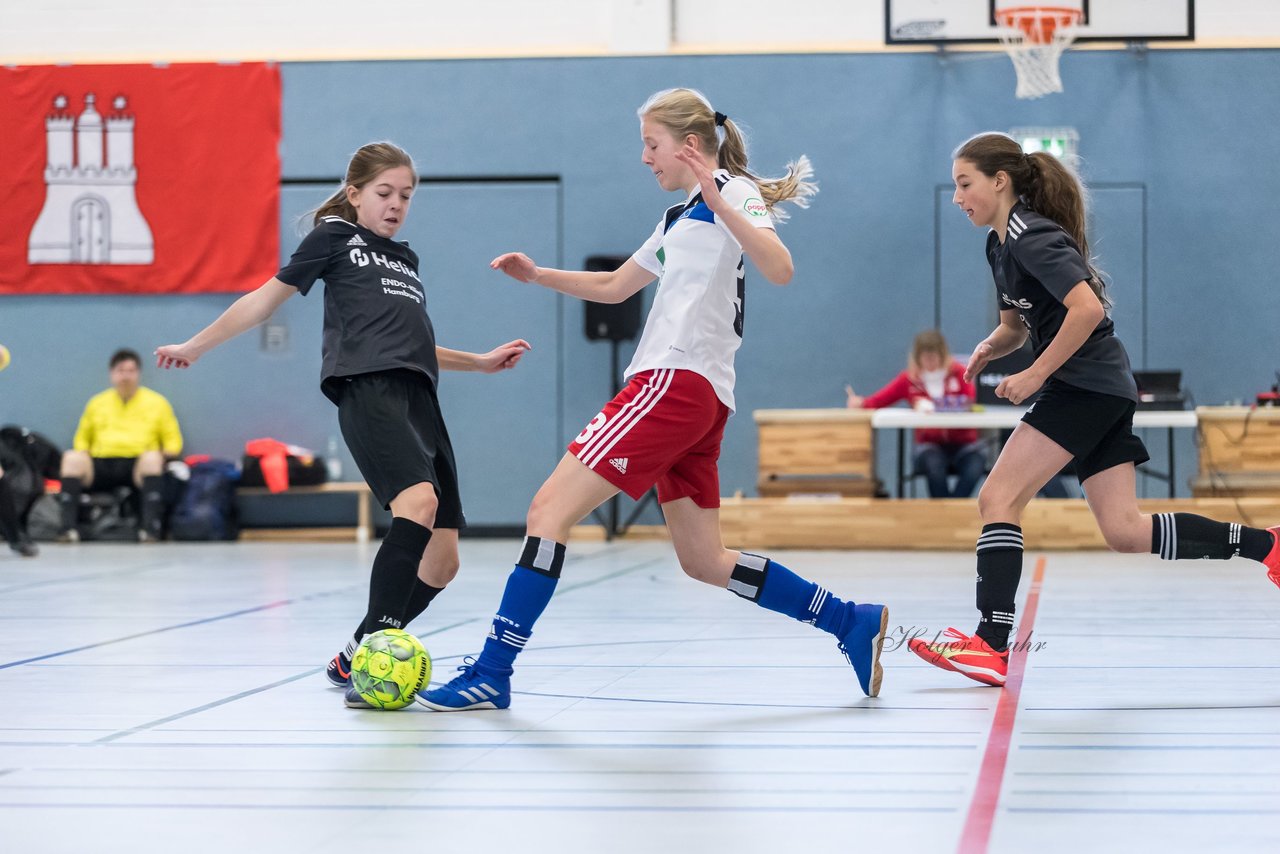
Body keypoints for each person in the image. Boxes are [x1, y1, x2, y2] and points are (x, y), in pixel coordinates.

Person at [416, 88, 888, 713]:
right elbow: (615, 286)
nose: (644, 157)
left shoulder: (729, 194)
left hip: (673, 382)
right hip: (698, 394)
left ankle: (493, 670)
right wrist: (539, 276)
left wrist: (722, 199)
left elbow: (779, 267)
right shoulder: (677, 218)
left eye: (651, 144)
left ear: (688, 147)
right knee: (703, 559)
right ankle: (849, 621)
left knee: (546, 511)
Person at [154, 141, 531, 708]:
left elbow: (417, 342)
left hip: (420, 400)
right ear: (355, 194)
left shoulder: (406, 259)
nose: (396, 204)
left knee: (445, 558)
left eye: (406, 195)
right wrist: (195, 346)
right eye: (384, 193)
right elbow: (262, 302)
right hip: (367, 390)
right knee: (418, 505)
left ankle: (357, 650)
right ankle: (374, 660)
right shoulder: (333, 239)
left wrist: (477, 362)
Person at [908, 132, 1280, 687]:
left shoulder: (1030, 235)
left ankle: (990, 643)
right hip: (1100, 386)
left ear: (999, 180)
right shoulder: (998, 244)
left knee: (998, 496)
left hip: (1084, 386)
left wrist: (1036, 373)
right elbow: (1018, 325)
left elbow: (1084, 308)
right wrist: (993, 345)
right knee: (1125, 530)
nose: (958, 197)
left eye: (965, 184)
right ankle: (1269, 546)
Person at [58, 348, 183, 542]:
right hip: (102, 463)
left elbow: (173, 445)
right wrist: (83, 452)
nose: (125, 376)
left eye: (131, 371)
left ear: (138, 373)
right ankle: (67, 530)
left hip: (137, 466)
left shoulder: (158, 403)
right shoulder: (97, 403)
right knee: (71, 458)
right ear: (112, 374)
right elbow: (81, 440)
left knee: (152, 459)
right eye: (120, 371)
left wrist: (157, 455)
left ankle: (150, 530)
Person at [845, 329, 986, 498]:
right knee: (934, 465)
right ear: (917, 358)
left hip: (964, 444)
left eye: (934, 357)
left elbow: (970, 401)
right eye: (926, 357)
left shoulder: (961, 374)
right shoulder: (909, 380)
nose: (930, 362)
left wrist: (935, 405)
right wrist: (861, 403)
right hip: (930, 445)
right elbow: (879, 400)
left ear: (943, 355)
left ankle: (954, 506)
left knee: (976, 464)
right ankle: (942, 510)